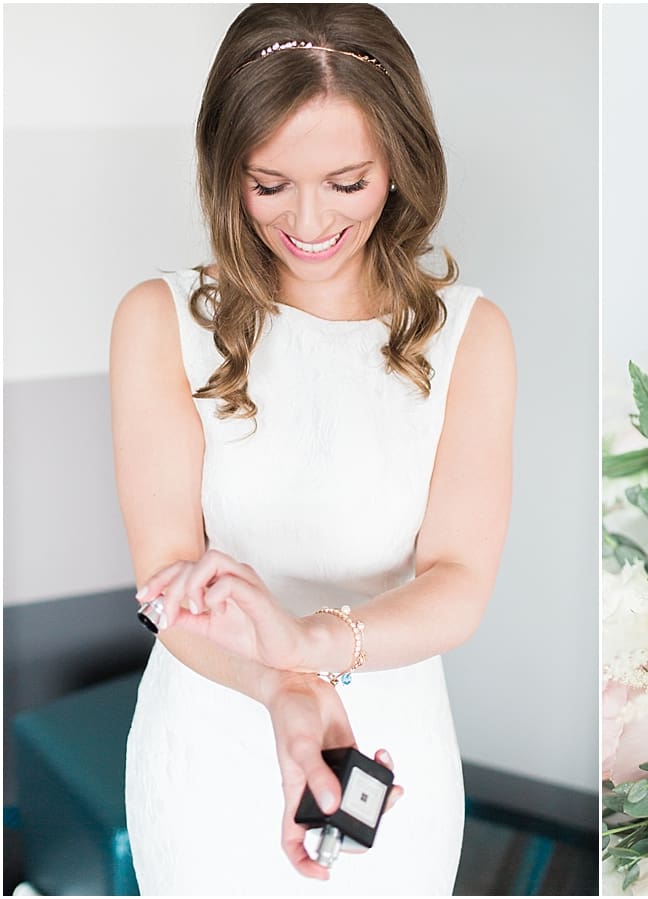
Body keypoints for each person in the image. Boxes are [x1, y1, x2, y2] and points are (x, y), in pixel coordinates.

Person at [109, 4, 515, 894]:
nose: (308, 220)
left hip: (385, 741)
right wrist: (283, 684)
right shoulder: (161, 320)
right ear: (228, 172)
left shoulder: (469, 336)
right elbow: (168, 579)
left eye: (347, 181)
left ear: (401, 164)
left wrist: (310, 644)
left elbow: (457, 581)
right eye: (268, 184)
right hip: (211, 739)